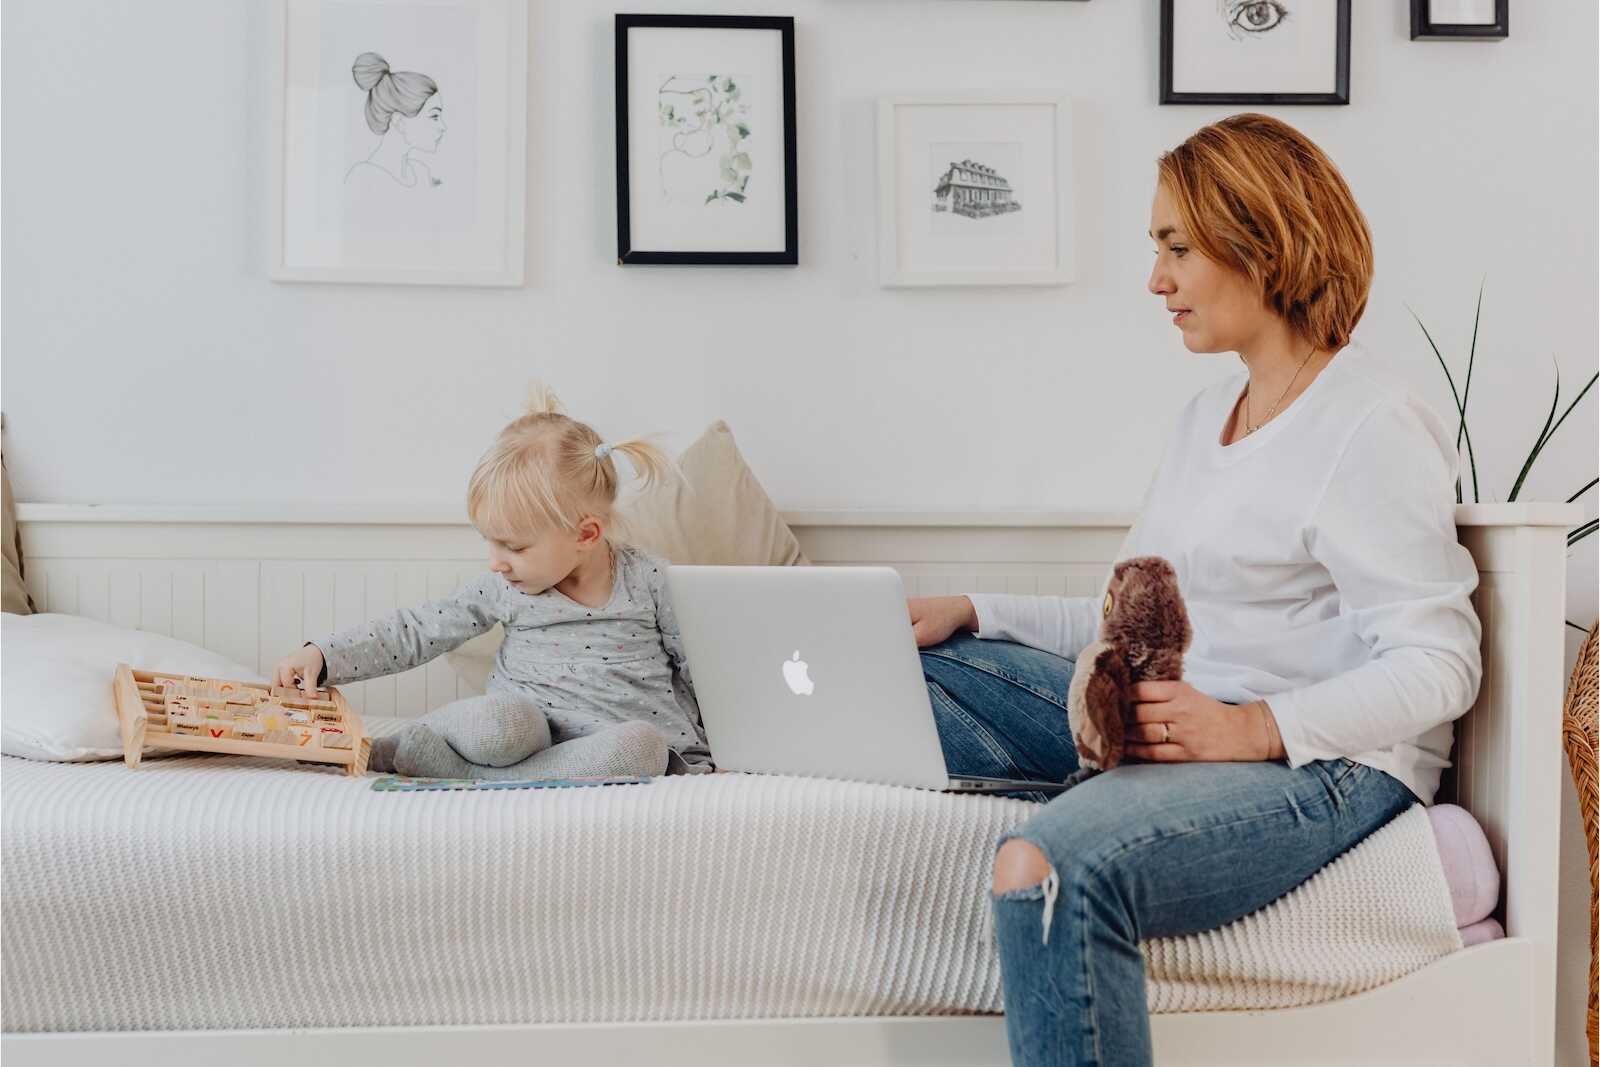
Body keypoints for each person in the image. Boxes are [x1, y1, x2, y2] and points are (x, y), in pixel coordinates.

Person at [907, 113, 1482, 1067]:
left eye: (1176, 247)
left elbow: (1440, 662)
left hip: (1322, 769)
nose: (1156, 279)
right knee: (924, 671)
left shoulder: (1368, 422)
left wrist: (1253, 726)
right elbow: (1142, 615)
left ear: (1262, 243)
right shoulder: (1207, 414)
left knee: (1047, 866)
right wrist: (979, 611)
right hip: (1184, 722)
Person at [273, 386, 709, 781]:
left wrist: (716, 745)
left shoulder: (650, 580)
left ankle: (457, 771)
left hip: (607, 749)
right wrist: (325, 656)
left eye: (514, 547)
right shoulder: (505, 587)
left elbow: (701, 670)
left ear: (586, 535)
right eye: (490, 543)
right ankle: (429, 747)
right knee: (504, 725)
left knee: (646, 746)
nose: (496, 562)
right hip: (522, 737)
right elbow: (417, 630)